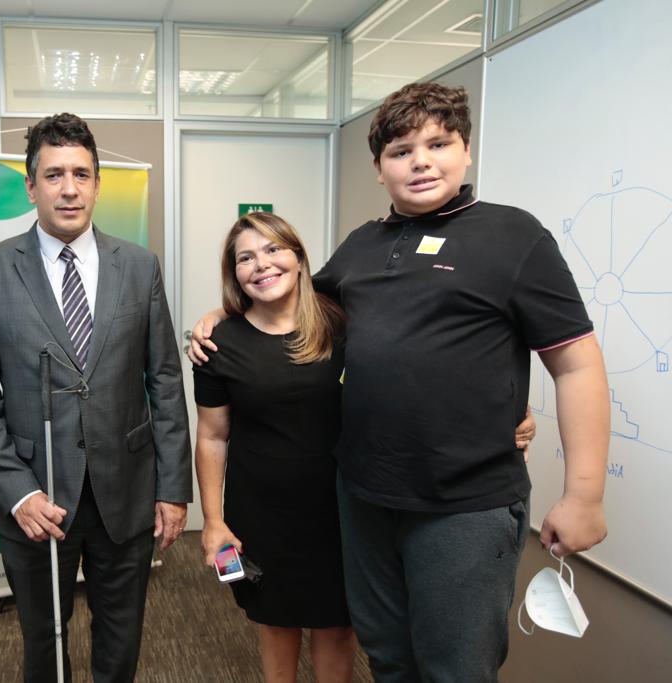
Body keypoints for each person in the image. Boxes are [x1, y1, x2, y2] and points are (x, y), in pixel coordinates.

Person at [190, 81, 603, 683]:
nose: (421, 162)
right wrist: (220, 315)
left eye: (439, 144)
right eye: (401, 151)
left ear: (467, 151)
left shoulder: (515, 237)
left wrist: (584, 494)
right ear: (379, 168)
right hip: (364, 499)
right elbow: (288, 298)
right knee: (388, 657)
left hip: (461, 504)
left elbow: (577, 364)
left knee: (454, 667)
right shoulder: (362, 246)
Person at [0, 113, 192, 682]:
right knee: (44, 639)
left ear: (98, 185)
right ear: (30, 186)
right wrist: (17, 492)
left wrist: (172, 488)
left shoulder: (138, 266)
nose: (69, 189)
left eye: (81, 174)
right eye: (54, 174)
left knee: (121, 636)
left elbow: (164, 379)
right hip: (37, 498)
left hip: (126, 492)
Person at [193, 212, 355, 683]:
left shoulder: (343, 325)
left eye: (273, 249)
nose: (261, 264)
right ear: (235, 274)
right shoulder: (218, 343)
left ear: (300, 259)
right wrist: (213, 521)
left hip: (341, 510)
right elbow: (211, 436)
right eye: (245, 258)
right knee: (275, 622)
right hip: (261, 512)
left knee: (337, 624)